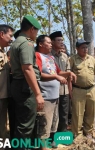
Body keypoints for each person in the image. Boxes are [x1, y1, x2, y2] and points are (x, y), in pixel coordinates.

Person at [35, 35, 76, 149]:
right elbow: (38, 74)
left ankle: (50, 143)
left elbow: (59, 72)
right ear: (41, 44)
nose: (51, 45)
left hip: (55, 96)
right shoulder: (37, 56)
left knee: (54, 123)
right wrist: (56, 77)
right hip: (46, 96)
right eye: (48, 42)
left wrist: (68, 73)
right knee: (44, 125)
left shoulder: (50, 57)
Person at [10, 15, 44, 147]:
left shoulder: (16, 42)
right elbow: (28, 69)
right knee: (25, 127)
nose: (36, 34)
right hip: (25, 86)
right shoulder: (27, 43)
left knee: (22, 123)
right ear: (31, 29)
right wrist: (37, 94)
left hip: (18, 84)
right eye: (36, 31)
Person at [69, 39, 95, 138]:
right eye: (83, 47)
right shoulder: (72, 59)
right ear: (77, 48)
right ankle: (77, 135)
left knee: (91, 113)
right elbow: (68, 76)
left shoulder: (91, 59)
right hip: (78, 90)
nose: (85, 49)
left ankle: (88, 132)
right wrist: (70, 90)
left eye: (86, 47)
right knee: (77, 114)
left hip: (91, 90)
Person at [50, 31, 71, 132]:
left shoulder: (65, 56)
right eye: (59, 40)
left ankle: (62, 137)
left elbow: (68, 71)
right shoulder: (48, 56)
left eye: (62, 40)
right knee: (54, 115)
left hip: (64, 90)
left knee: (64, 115)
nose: (61, 42)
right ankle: (52, 138)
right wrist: (68, 74)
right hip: (53, 91)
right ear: (52, 42)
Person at [0, 24, 13, 147]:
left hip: (4, 96)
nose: (11, 39)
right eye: (10, 36)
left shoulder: (3, 52)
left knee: (3, 125)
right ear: (1, 34)